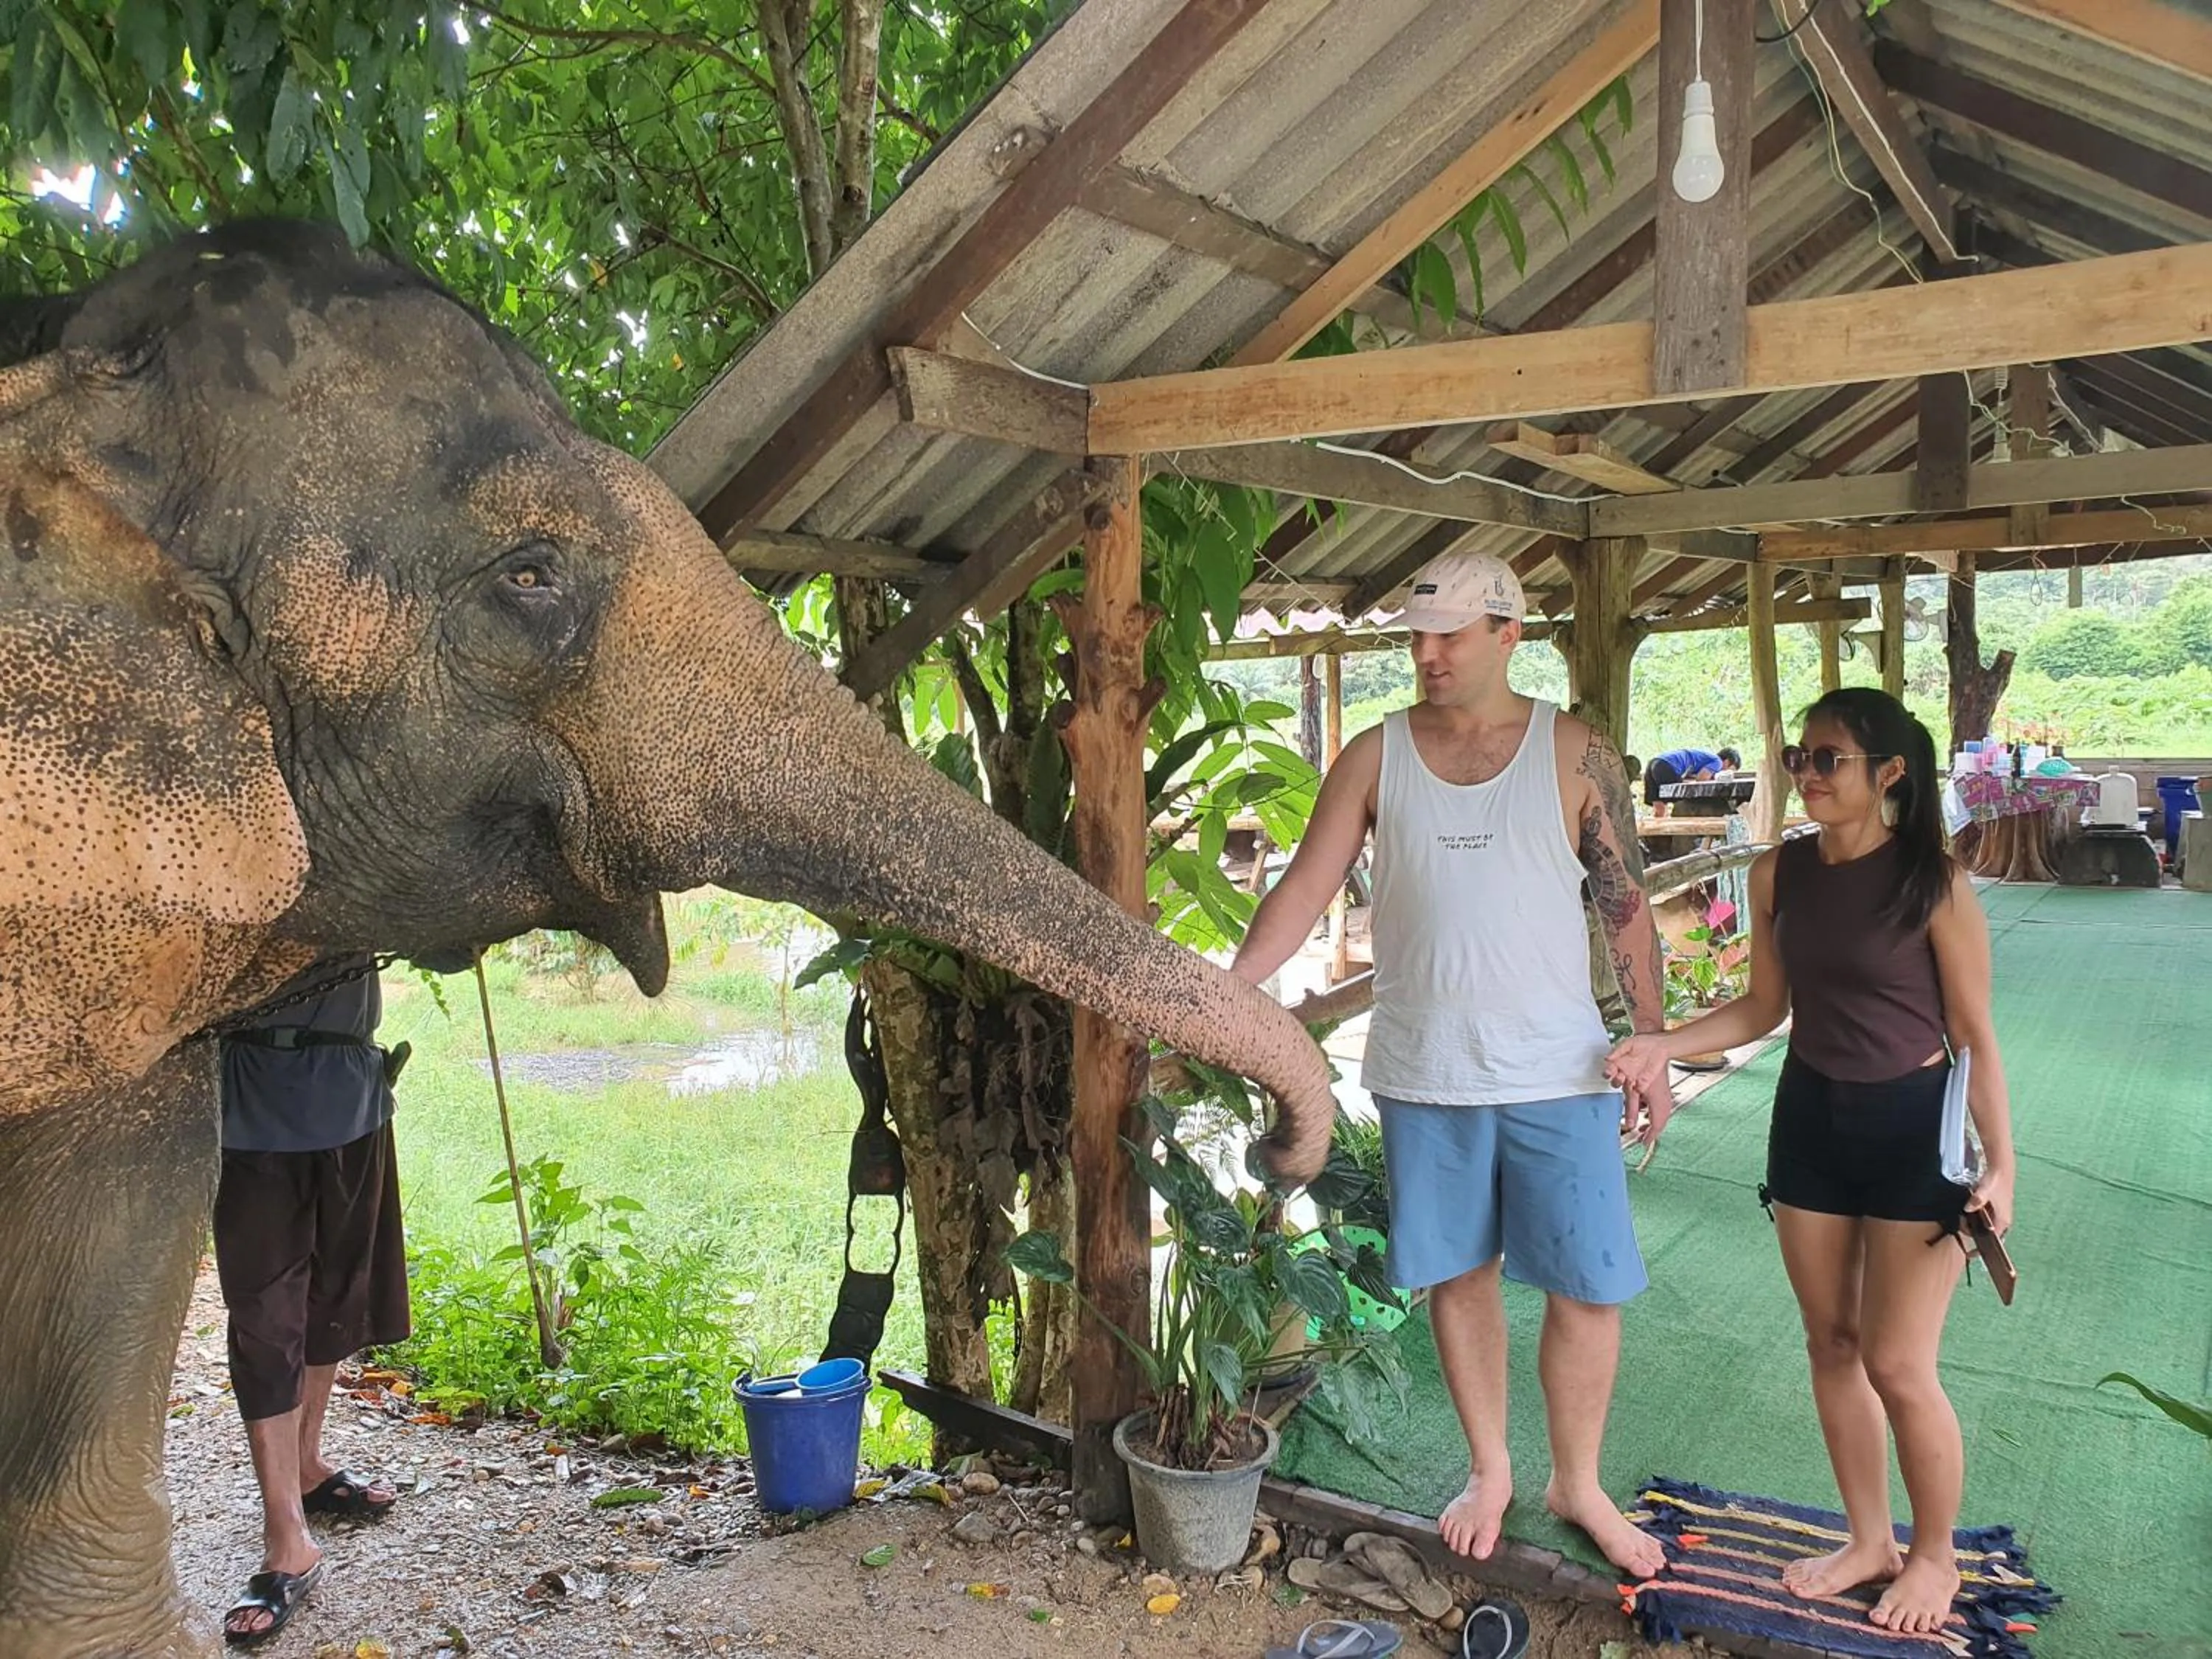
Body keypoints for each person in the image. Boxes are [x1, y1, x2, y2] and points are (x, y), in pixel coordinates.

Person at [1231, 550, 1672, 1580]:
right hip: (1425, 1069)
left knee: (1587, 1286)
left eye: (1452, 635)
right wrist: (1233, 986)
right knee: (1458, 1278)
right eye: (1418, 636)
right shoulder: (1376, 755)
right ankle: (1490, 1468)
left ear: (1508, 634)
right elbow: (1304, 887)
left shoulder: (1573, 753)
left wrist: (1650, 1040)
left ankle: (1581, 1481)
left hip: (1560, 1068)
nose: (1428, 654)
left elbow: (1629, 906)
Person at [1606, 688, 2017, 1636]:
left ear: (1890, 775)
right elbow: (1763, 1009)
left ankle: (1935, 1558)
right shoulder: (1781, 872)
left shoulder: (1934, 884)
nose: (1808, 774)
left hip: (1914, 1130)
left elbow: (1975, 1035)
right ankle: (1870, 1540)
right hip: (1810, 1124)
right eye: (1802, 754)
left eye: (1830, 759)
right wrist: (1664, 1044)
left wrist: (2001, 1169)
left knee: (1899, 1363)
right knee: (1830, 1344)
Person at [215, 954, 411, 1646]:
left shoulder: (377, 860)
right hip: (254, 1113)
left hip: (355, 1101)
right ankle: (285, 1539)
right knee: (265, 1319)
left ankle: (307, 1467)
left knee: (337, 1293)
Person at [1642, 745, 1742, 813]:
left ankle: (1655, 840)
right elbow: (1702, 779)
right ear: (1727, 762)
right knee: (1681, 796)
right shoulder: (1718, 761)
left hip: (1654, 764)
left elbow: (1695, 776)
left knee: (1659, 807)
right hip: (1666, 766)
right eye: (1730, 770)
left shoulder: (1707, 758)